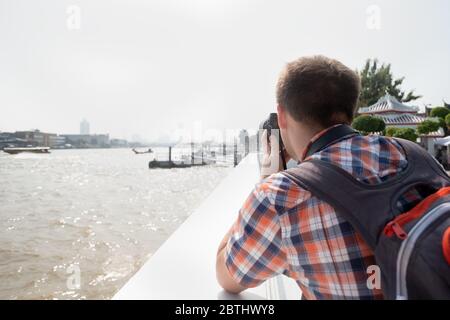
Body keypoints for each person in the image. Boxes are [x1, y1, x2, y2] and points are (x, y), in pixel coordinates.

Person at [215, 55, 428, 299]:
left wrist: (265, 182)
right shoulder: (413, 155)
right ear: (352, 111)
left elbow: (227, 274)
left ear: (282, 116)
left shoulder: (282, 196)